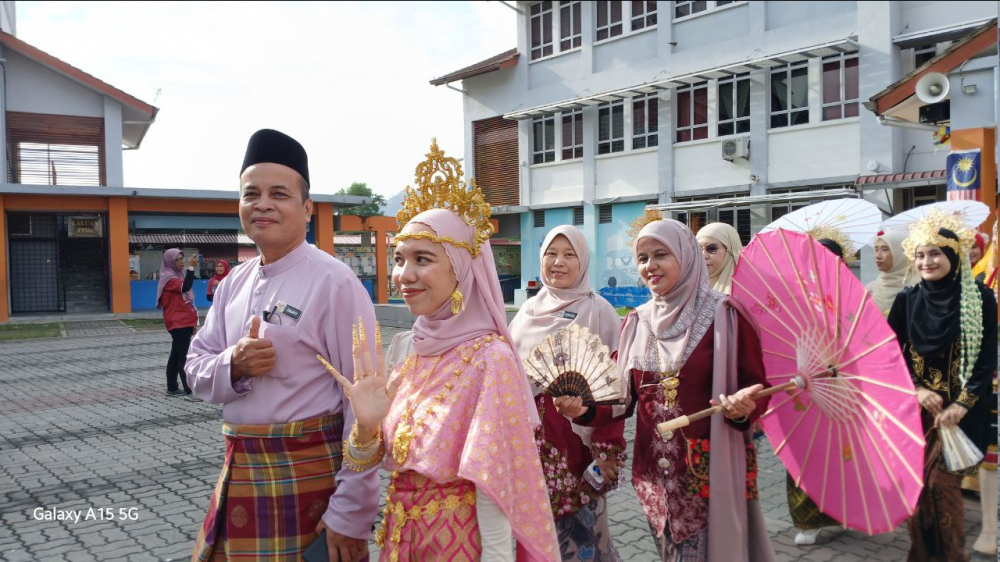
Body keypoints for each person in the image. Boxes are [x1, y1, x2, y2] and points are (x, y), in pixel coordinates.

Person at [327, 141, 559, 562]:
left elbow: (494, 484)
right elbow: (371, 459)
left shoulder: (490, 358)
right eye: (399, 259)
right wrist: (365, 427)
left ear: (462, 269)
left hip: (457, 545)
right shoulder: (406, 347)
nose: (404, 275)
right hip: (399, 539)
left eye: (422, 259)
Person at [186, 129, 380, 562]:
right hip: (239, 467)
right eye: (251, 194)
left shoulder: (334, 283)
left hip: (308, 477)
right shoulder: (233, 283)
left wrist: (352, 510)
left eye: (279, 194)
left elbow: (365, 404)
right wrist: (233, 364)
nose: (263, 204)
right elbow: (195, 367)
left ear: (307, 208)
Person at [554, 218, 775, 562]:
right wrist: (583, 408)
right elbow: (619, 398)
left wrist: (744, 407)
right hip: (653, 477)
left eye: (661, 255)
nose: (650, 266)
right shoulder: (637, 322)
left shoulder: (725, 315)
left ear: (686, 256)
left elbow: (756, 386)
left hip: (707, 474)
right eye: (642, 258)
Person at [508, 225, 625, 561]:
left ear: (583, 261)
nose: (558, 262)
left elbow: (615, 389)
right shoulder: (527, 311)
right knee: (536, 535)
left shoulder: (598, 311)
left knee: (583, 537)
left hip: (576, 443)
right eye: (551, 254)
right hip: (530, 443)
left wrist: (606, 448)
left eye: (569, 254)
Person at [887, 209, 997, 562]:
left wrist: (961, 404)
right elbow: (890, 355)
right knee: (918, 496)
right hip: (916, 413)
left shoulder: (980, 299)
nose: (926, 261)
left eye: (935, 253)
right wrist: (917, 389)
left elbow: (986, 360)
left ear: (952, 255)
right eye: (920, 254)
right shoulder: (907, 300)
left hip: (961, 416)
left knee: (943, 492)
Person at [157, 248, 198, 397]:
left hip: (184, 321)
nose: (181, 262)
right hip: (178, 322)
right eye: (177, 260)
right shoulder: (169, 278)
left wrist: (193, 322)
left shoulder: (177, 275)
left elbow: (187, 300)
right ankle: (190, 390)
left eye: (182, 259)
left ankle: (172, 387)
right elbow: (186, 287)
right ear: (169, 262)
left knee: (175, 356)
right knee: (184, 357)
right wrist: (191, 268)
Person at [867, 230, 918, 317]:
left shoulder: (918, 288)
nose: (878, 256)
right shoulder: (871, 289)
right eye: (876, 249)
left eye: (884, 249)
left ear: (902, 253)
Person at [695, 223, 742, 295]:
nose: (703, 256)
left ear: (730, 250)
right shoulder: (688, 288)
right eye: (698, 249)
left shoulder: (748, 291)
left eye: (712, 248)